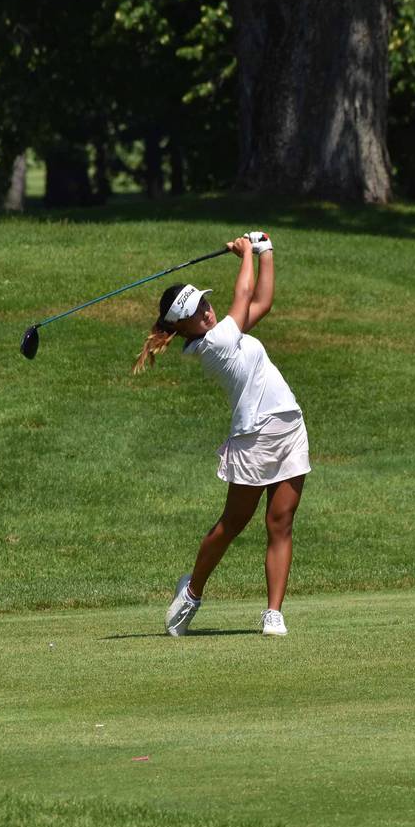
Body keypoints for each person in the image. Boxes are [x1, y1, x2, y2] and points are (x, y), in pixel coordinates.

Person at [132, 231, 309, 637]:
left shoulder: (224, 332)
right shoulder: (213, 344)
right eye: (197, 312)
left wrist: (265, 251)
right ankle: (191, 592)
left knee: (280, 522)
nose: (207, 312)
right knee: (232, 525)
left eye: (205, 304)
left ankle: (273, 613)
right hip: (254, 439)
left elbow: (261, 301)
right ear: (184, 327)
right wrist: (244, 253)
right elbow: (244, 294)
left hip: (289, 427)